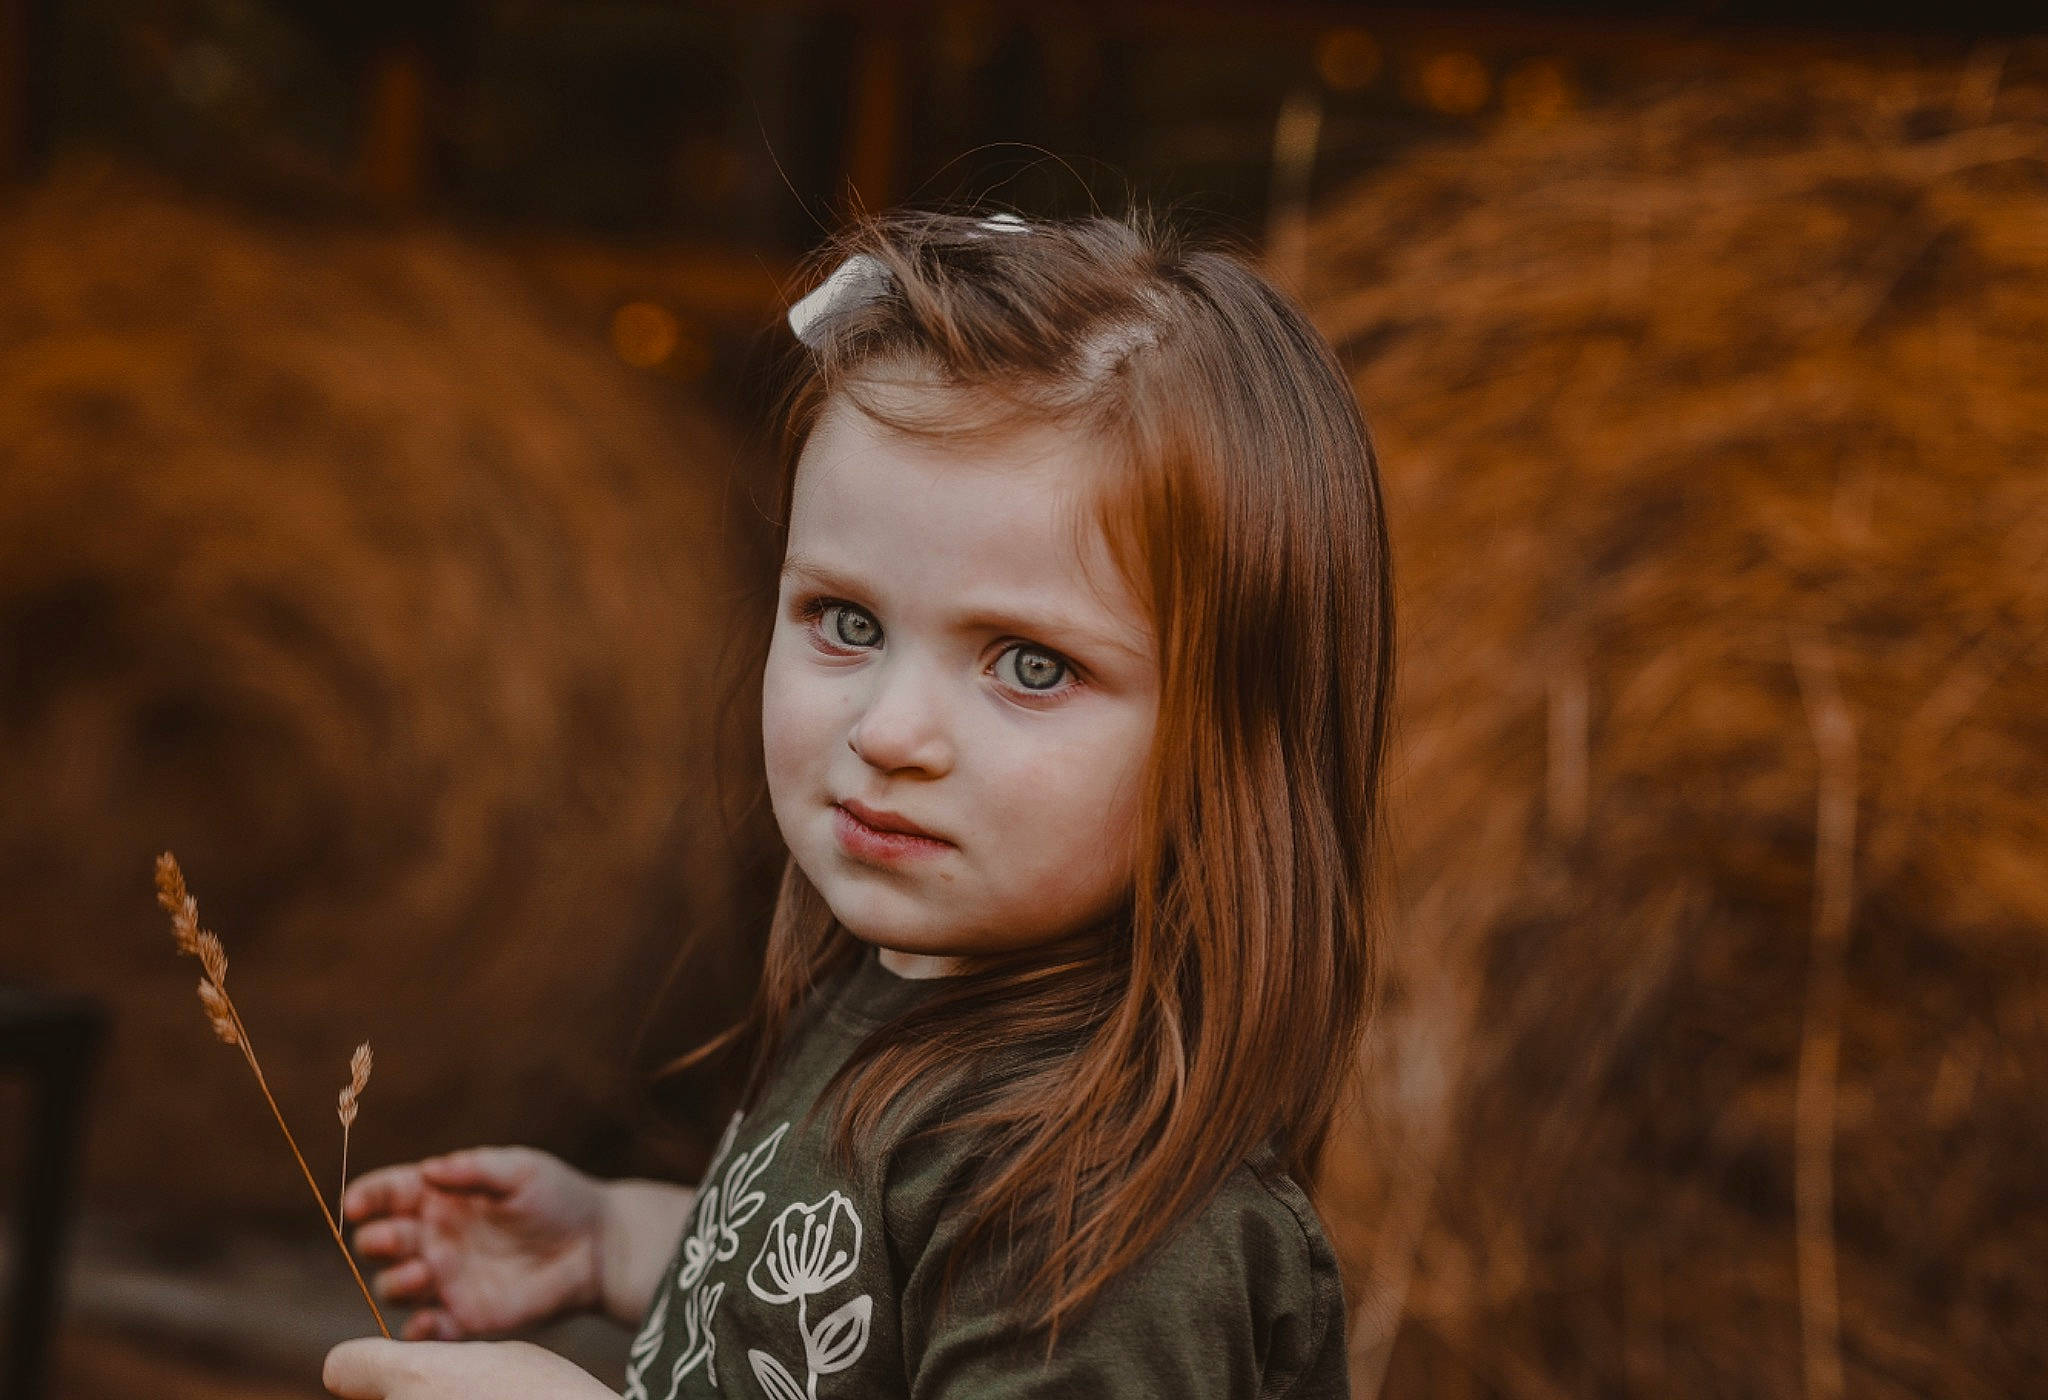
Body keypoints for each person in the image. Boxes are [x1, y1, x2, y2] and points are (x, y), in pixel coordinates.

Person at [322, 207, 1394, 1400]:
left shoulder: (1109, 1221)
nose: (886, 730)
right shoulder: (901, 987)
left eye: (1030, 662)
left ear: (1234, 739)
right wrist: (619, 1239)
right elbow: (860, 1297)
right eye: (846, 621)